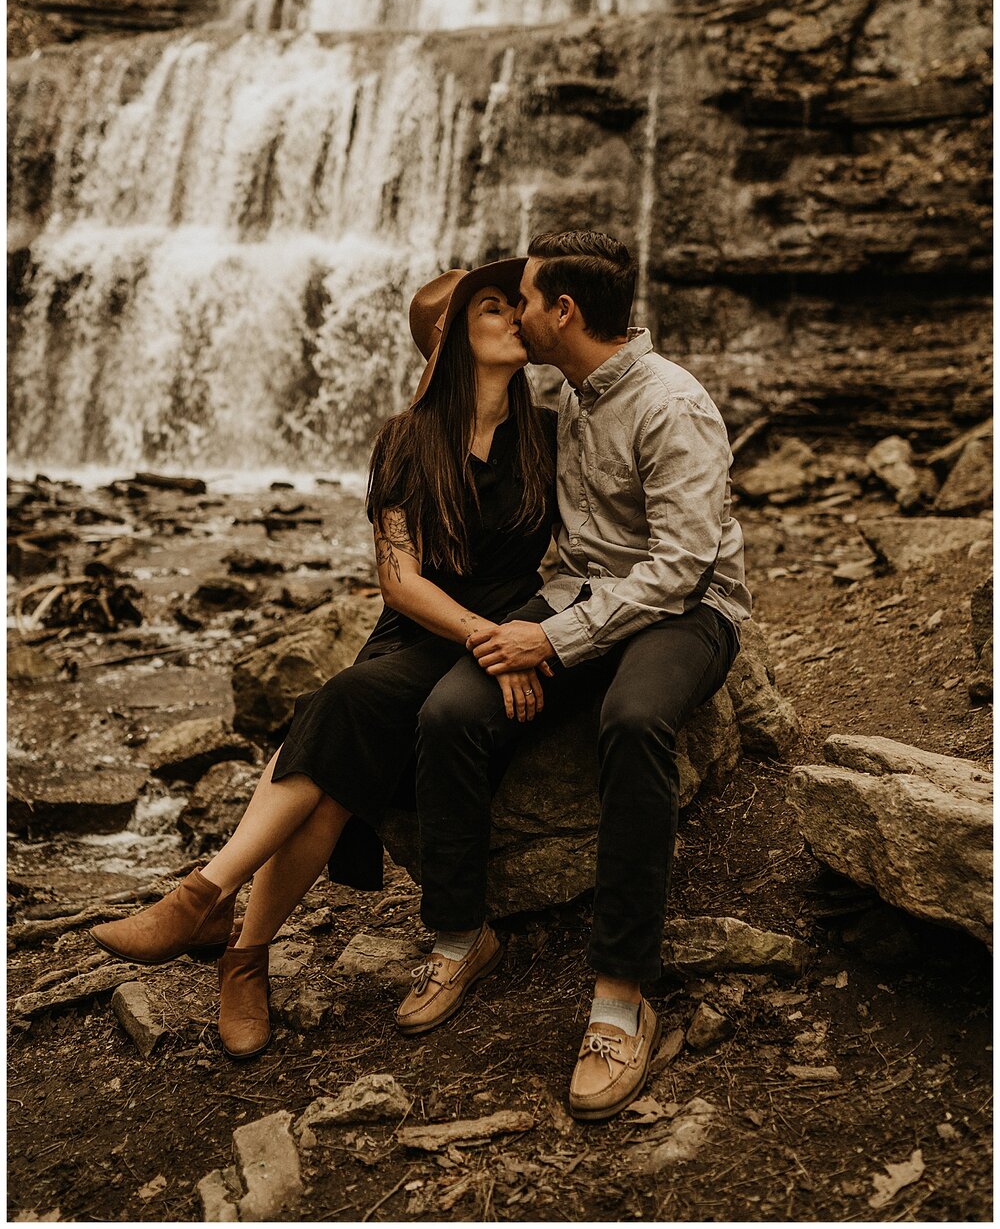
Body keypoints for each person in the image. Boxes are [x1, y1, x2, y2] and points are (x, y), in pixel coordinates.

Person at [90, 259, 557, 1060]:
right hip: (427, 634)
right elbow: (399, 579)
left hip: (516, 630)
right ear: (447, 339)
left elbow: (583, 552)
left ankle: (217, 915)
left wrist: (526, 635)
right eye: (494, 305)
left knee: (337, 733)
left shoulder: (551, 432)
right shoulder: (407, 439)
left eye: (520, 303)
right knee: (346, 726)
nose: (518, 314)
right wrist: (482, 632)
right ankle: (231, 941)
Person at [397, 230, 751, 1121]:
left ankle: (621, 995)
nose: (510, 314)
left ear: (562, 311)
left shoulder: (672, 404)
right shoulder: (570, 392)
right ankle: (459, 936)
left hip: (689, 613)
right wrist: (533, 633)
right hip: (580, 597)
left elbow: (679, 568)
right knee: (449, 712)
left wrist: (554, 644)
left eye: (521, 299)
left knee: (632, 722)